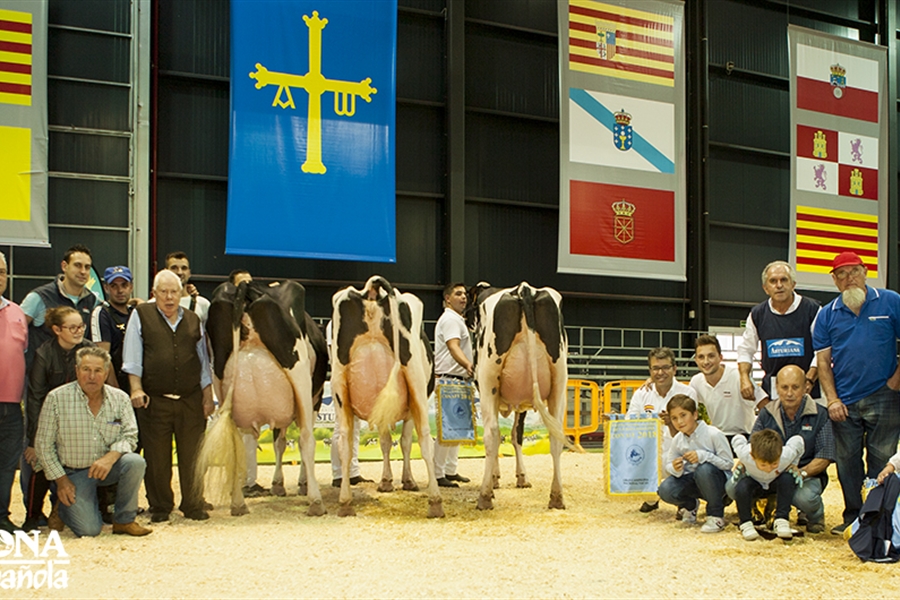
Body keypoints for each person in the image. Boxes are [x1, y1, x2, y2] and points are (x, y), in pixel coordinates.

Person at [813, 251, 900, 535]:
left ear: (865, 272)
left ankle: (877, 519)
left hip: (884, 395)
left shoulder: (890, 301)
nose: (849, 278)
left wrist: (895, 381)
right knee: (848, 462)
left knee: (882, 459)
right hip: (844, 402)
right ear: (834, 280)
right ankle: (853, 516)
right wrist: (832, 399)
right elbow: (823, 363)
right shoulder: (826, 314)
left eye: (854, 271)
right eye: (841, 273)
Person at [123, 269, 215, 522]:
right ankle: (161, 506)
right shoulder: (141, 316)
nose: (169, 297)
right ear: (154, 294)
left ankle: (193, 504)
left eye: (174, 292)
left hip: (191, 399)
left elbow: (203, 361)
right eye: (163, 292)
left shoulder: (194, 319)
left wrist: (208, 396)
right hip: (155, 399)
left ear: (181, 293)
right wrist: (136, 388)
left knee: (193, 456)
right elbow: (132, 356)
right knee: (156, 457)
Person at [34, 346, 150, 537]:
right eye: (86, 370)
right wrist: (62, 482)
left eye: (98, 371)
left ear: (106, 373)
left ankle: (124, 520)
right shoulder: (56, 398)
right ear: (77, 371)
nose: (91, 376)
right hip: (73, 472)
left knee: (135, 462)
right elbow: (43, 446)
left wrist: (110, 457)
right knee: (90, 530)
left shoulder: (120, 399)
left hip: (108, 467)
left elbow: (130, 435)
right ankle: (62, 508)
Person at [22, 307, 97, 531]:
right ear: (57, 330)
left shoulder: (88, 350)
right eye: (72, 327)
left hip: (81, 420)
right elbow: (35, 397)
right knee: (39, 463)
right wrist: (35, 441)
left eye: (81, 327)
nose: (78, 331)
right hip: (49, 419)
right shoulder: (43, 353)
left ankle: (72, 510)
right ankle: (33, 516)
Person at [752, 364, 834, 534]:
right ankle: (767, 506)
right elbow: (752, 447)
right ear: (777, 388)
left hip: (805, 476)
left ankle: (815, 515)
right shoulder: (766, 413)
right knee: (733, 486)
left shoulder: (821, 415)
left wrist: (799, 473)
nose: (789, 393)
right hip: (770, 472)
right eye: (784, 387)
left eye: (795, 387)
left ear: (806, 387)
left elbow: (824, 457)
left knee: (805, 498)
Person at [737, 260, 820, 402]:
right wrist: (744, 378)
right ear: (765, 288)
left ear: (793, 284)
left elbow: (823, 350)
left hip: (808, 388)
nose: (779, 285)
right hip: (773, 391)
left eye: (784, 280)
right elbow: (745, 350)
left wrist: (809, 379)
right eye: (773, 281)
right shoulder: (757, 314)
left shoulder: (813, 309)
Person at [628, 347, 698, 512]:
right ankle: (651, 498)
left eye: (665, 367)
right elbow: (631, 422)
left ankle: (686, 502)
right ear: (650, 371)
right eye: (656, 368)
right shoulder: (641, 393)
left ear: (674, 369)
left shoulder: (688, 393)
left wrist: (672, 424)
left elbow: (692, 430)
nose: (660, 372)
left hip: (679, 451)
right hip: (650, 451)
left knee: (684, 463)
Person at [657, 395, 733, 533]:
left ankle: (716, 515)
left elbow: (728, 464)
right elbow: (668, 464)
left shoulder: (714, 434)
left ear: (695, 414)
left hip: (718, 485)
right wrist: (675, 468)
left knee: (704, 469)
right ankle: (690, 506)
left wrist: (704, 456)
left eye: (683, 415)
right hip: (694, 481)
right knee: (665, 489)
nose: (679, 421)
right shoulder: (678, 439)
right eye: (674, 418)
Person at [20, 244, 99, 368]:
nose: (83, 271)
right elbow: (15, 332)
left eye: (87, 267)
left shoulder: (92, 301)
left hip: (74, 376)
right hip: (40, 377)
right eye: (77, 265)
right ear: (64, 266)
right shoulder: (39, 296)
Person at [690, 334, 767, 448]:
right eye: (701, 357)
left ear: (720, 358)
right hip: (718, 438)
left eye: (711, 356)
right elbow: (684, 408)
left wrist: (760, 434)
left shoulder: (739, 377)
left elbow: (765, 405)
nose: (706, 362)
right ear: (696, 360)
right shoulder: (696, 382)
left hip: (745, 437)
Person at [432, 282, 474, 488]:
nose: (463, 297)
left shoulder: (457, 319)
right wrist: (468, 364)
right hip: (449, 379)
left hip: (458, 379)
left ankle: (450, 469)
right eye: (458, 294)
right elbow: (453, 346)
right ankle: (437, 473)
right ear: (447, 298)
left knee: (457, 429)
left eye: (465, 294)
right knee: (446, 429)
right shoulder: (450, 319)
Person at [727, 429, 804, 541]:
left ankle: (781, 520)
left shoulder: (787, 454)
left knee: (787, 478)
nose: (768, 469)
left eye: (774, 464)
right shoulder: (744, 454)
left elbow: (798, 441)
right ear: (752, 456)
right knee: (741, 486)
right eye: (763, 465)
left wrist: (793, 463)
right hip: (754, 482)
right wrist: (742, 461)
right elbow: (737, 439)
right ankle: (746, 523)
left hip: (775, 483)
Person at [0, 251, 27, 533]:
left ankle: (2, 516)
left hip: (11, 405)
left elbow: (24, 353)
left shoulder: (17, 311)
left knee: (7, 465)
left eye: (1, 272)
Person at [91, 266, 140, 394]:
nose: (120, 291)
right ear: (106, 288)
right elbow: (103, 357)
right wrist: (115, 391)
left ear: (131, 287)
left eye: (124, 285)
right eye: (114, 286)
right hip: (115, 385)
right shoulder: (102, 313)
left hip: (137, 384)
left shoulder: (136, 313)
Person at [165, 251, 210, 325]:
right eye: (174, 268)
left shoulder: (203, 304)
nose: (179, 272)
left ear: (189, 273)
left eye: (184, 268)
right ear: (165, 272)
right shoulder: (154, 304)